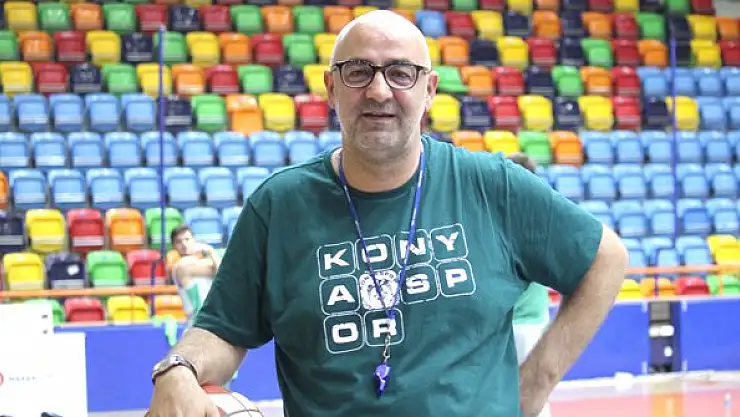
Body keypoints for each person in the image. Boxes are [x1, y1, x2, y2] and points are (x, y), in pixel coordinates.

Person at [148, 10, 628, 417]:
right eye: (358, 71)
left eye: (401, 72)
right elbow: (221, 330)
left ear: (429, 89)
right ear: (331, 87)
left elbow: (606, 258)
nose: (379, 90)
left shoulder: (491, 186)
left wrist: (536, 383)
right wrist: (179, 369)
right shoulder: (279, 205)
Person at [507, 152, 553, 417]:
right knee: (534, 397)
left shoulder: (506, 217)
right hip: (528, 324)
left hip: (518, 325)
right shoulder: (539, 217)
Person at [167, 225, 222, 324]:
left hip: (213, 318)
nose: (184, 244)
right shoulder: (179, 266)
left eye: (187, 239)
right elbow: (219, 271)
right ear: (173, 246)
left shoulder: (203, 262)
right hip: (198, 320)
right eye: (179, 241)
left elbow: (220, 272)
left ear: (194, 240)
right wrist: (210, 252)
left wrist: (211, 252)